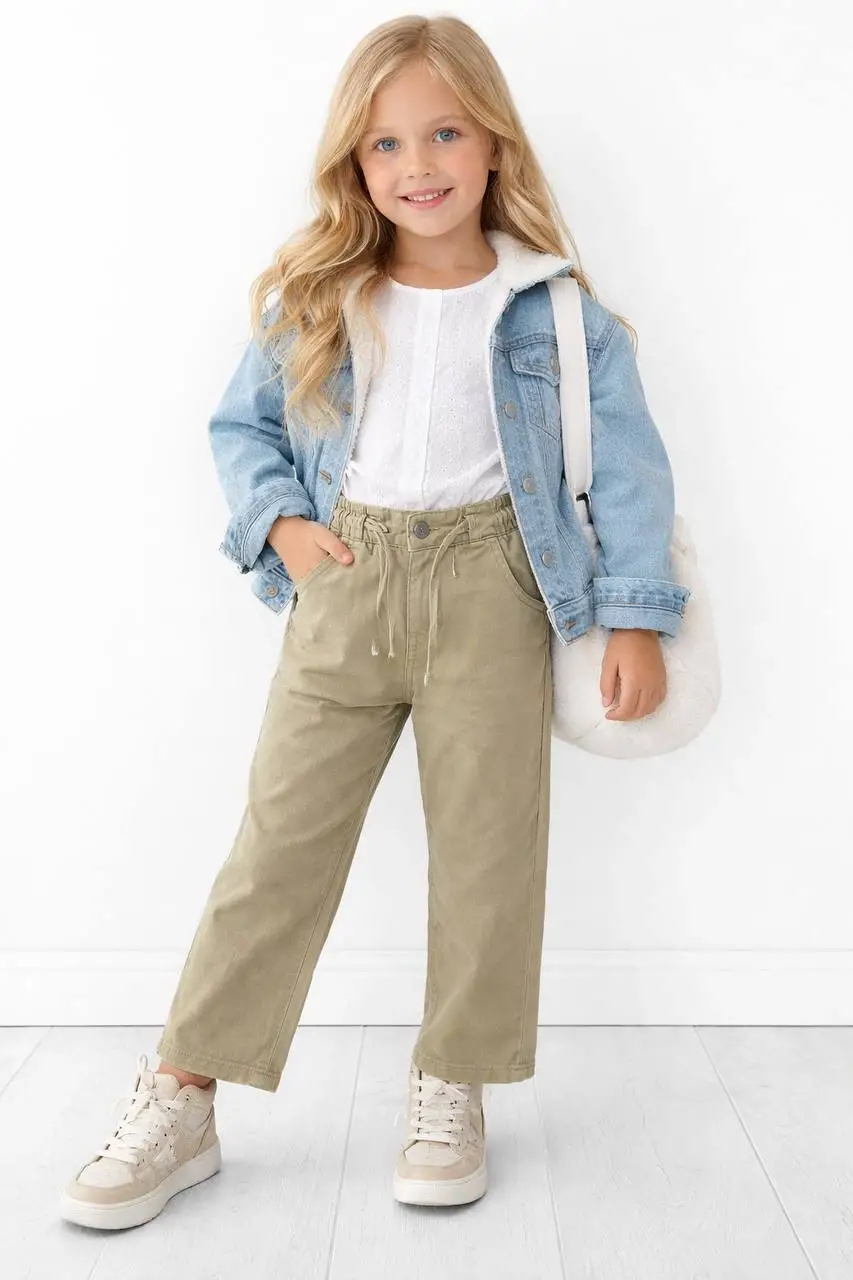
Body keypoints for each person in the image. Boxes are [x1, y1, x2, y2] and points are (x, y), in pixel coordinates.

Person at [60, 13, 690, 1230]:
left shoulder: (558, 312)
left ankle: (452, 1080)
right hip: (347, 582)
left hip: (495, 587)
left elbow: (626, 471)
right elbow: (242, 428)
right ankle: (183, 1091)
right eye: (385, 144)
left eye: (444, 133)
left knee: (487, 852)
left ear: (495, 142)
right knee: (277, 848)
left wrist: (633, 618)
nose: (417, 165)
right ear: (354, 163)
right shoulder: (319, 294)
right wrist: (283, 527)